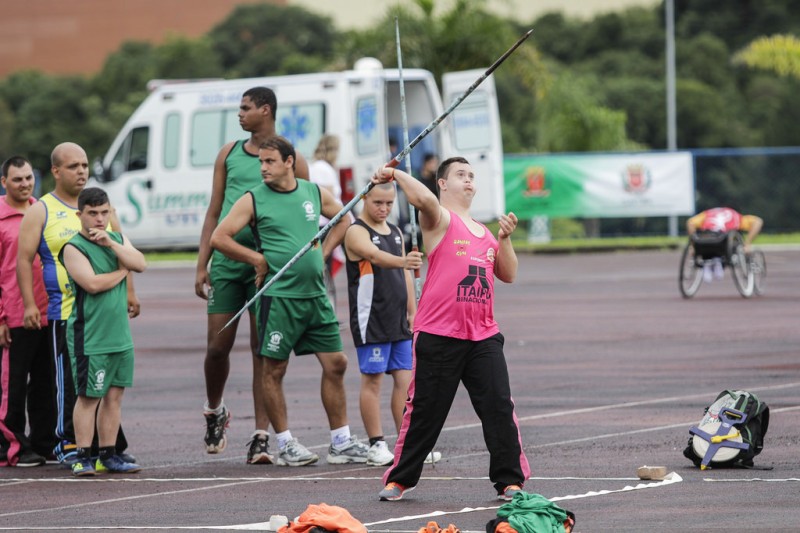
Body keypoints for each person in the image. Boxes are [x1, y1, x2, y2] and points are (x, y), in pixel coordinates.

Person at [373, 157, 530, 502]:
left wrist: (504, 239)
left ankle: (510, 481)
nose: (469, 180)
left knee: (499, 407)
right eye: (460, 175)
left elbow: (509, 273)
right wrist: (395, 174)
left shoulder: (485, 233)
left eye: (472, 176)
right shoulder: (439, 220)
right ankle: (400, 479)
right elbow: (425, 201)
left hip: (484, 335)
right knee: (425, 411)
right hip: (440, 333)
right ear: (443, 183)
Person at [210, 136, 369, 467]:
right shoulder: (253, 199)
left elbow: (344, 218)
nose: (263, 168)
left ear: (288, 162)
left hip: (315, 294)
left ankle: (340, 442)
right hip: (278, 298)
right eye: (261, 162)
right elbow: (219, 237)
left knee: (336, 362)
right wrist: (257, 260)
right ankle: (285, 443)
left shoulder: (311, 192)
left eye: (269, 162)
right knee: (274, 368)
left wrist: (323, 253)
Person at [195, 86, 309, 464]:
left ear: (266, 110)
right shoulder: (228, 154)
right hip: (229, 264)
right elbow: (214, 212)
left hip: (271, 270)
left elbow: (309, 214)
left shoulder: (294, 160)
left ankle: (261, 436)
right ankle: (215, 409)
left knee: (264, 351)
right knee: (217, 348)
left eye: (245, 108)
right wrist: (202, 263)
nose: (239, 114)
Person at [17, 142, 138, 467]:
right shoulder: (41, 209)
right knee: (73, 386)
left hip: (106, 315)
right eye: (74, 166)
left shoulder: (102, 207)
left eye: (85, 164)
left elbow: (124, 250)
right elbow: (24, 259)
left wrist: (130, 292)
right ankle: (69, 444)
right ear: (56, 171)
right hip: (65, 311)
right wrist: (30, 304)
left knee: (106, 386)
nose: (82, 171)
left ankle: (107, 449)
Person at [60, 187, 147, 476]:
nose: (99, 218)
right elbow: (92, 284)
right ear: (80, 215)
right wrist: (123, 271)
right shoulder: (73, 247)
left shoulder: (118, 239)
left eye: (104, 212)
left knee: (113, 397)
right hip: (90, 336)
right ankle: (82, 455)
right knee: (88, 397)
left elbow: (141, 263)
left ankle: (108, 454)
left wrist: (112, 245)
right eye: (93, 213)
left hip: (119, 336)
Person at [343, 182, 422, 466]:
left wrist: (413, 311)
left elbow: (406, 278)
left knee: (405, 381)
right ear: (364, 197)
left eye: (389, 204)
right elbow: (375, 257)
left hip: (398, 319)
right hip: (371, 320)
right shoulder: (356, 232)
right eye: (378, 202)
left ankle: (407, 444)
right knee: (373, 381)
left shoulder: (397, 232)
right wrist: (404, 261)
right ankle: (376, 443)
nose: (384, 209)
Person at [0, 156, 56, 467]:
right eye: (17, 179)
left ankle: (43, 443)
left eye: (28, 178)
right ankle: (13, 446)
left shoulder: (43, 211)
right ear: (4, 182)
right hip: (14, 315)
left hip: (48, 312)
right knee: (13, 385)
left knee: (46, 384)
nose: (25, 184)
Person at [309, 134, 346, 313]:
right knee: (324, 269)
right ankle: (325, 310)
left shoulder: (319, 167)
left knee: (326, 270)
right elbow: (328, 198)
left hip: (324, 223)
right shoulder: (322, 169)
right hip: (324, 224)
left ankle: (326, 309)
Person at [686, 207, 764, 282]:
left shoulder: (706, 214)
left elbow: (690, 223)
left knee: (705, 239)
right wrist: (747, 243)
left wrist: (692, 246)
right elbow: (758, 222)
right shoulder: (736, 216)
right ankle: (716, 261)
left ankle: (709, 262)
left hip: (704, 242)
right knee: (730, 240)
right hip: (724, 243)